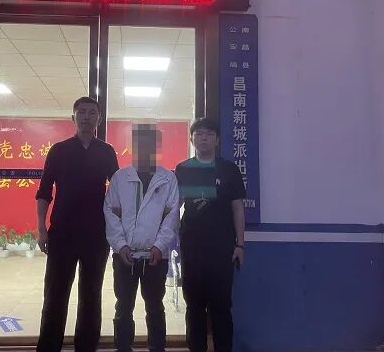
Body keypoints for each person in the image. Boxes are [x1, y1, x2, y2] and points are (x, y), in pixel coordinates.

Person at [36, 96, 119, 352]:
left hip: (96, 234)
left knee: (91, 294)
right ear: (73, 117)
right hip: (62, 232)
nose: (87, 117)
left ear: (99, 118)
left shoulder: (106, 151)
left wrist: (118, 230)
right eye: (81, 112)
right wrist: (41, 228)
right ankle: (48, 347)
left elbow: (118, 191)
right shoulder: (59, 150)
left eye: (92, 112)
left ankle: (87, 347)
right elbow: (44, 192)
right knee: (55, 294)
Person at [104, 124, 180, 352]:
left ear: (156, 147)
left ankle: (157, 348)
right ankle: (123, 348)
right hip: (124, 256)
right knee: (123, 307)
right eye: (141, 144)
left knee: (155, 307)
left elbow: (171, 217)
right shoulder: (120, 177)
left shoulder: (168, 179)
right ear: (134, 146)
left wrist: (159, 245)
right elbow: (110, 213)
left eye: (150, 144)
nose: (145, 149)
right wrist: (120, 245)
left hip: (155, 257)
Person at [175, 118, 246, 352]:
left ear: (217, 140)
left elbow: (237, 208)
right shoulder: (183, 169)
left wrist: (240, 244)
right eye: (198, 134)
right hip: (191, 247)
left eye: (209, 134)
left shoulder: (229, 169)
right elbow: (174, 206)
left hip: (222, 248)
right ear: (191, 139)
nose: (203, 138)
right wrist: (169, 240)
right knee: (194, 305)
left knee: (221, 306)